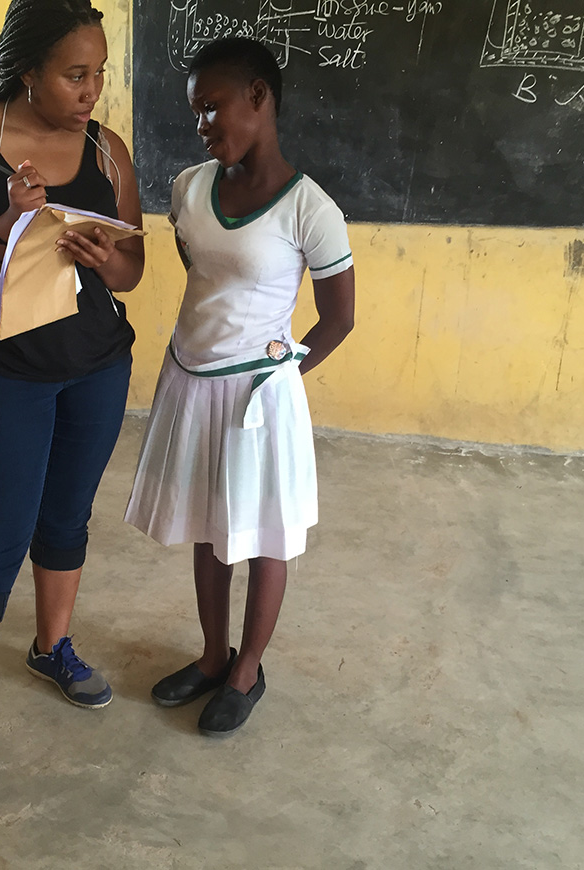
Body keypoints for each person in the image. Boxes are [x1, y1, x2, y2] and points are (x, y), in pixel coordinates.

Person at [0, 0, 144, 810]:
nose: (92, 91)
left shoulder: (107, 150)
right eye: (76, 75)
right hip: (9, 374)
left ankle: (53, 646)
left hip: (98, 366)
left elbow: (133, 268)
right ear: (29, 72)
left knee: (66, 519)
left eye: (101, 73)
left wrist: (106, 255)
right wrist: (7, 226)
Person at [124, 37, 356, 737]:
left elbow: (340, 319)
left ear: (259, 97)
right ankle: (210, 654)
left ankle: (248, 669)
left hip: (260, 398)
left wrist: (284, 372)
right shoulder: (190, 188)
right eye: (196, 112)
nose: (202, 124)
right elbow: (200, 268)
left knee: (261, 536)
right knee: (207, 525)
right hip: (192, 382)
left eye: (213, 106)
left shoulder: (311, 210)